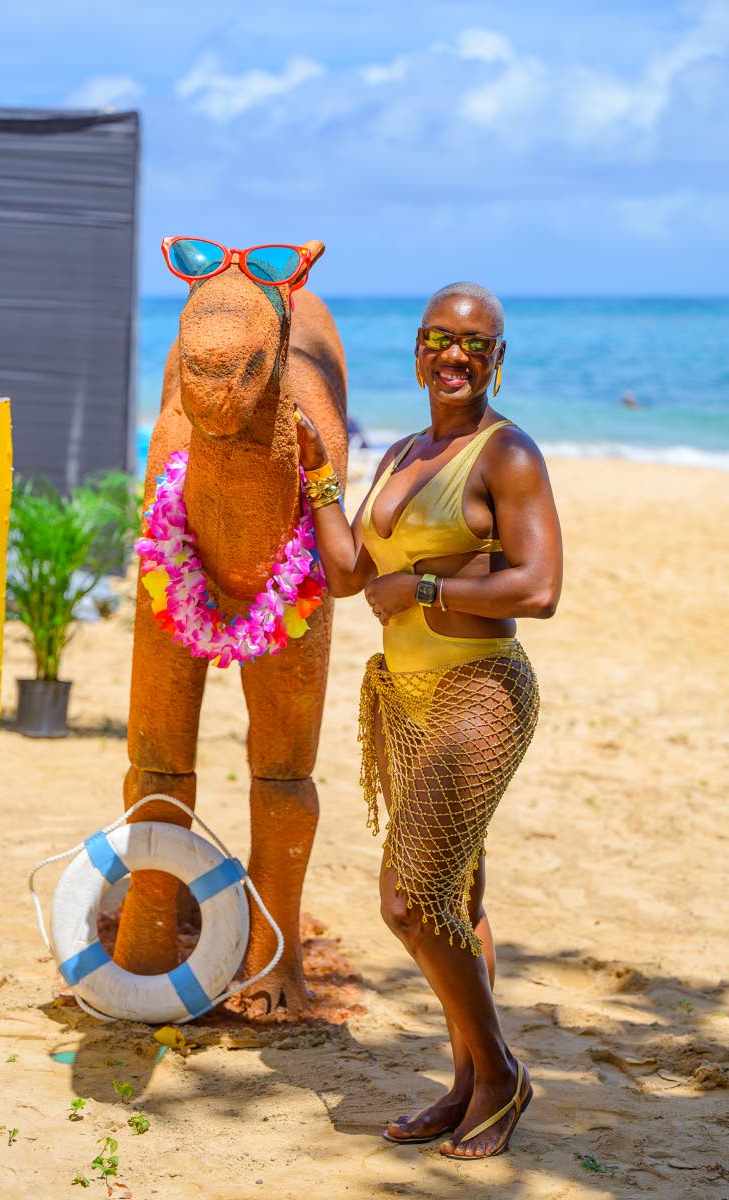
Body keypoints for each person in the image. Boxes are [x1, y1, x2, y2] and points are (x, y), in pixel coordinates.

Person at [294, 281, 563, 1161]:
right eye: (439, 339)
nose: (455, 355)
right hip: (405, 699)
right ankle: (466, 1083)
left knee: (410, 902)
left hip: (480, 689)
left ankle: (502, 1075)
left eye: (475, 344)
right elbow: (346, 575)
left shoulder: (506, 453)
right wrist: (319, 481)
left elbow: (540, 586)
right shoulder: (403, 452)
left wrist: (426, 586)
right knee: (459, 900)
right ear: (416, 350)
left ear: (497, 359)